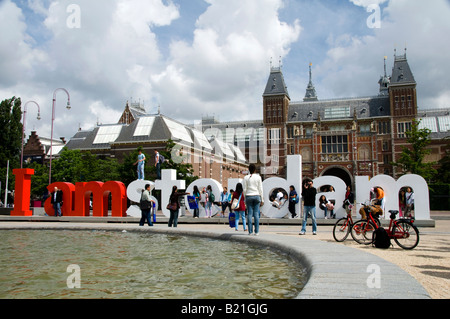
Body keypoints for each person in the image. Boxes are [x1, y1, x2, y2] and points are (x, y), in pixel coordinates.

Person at [243, 164, 264, 236]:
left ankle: (250, 231)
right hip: (257, 195)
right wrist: (262, 199)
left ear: (249, 169)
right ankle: (257, 231)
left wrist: (245, 197)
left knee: (249, 214)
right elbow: (260, 189)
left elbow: (244, 189)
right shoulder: (258, 177)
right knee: (256, 214)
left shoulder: (246, 177)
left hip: (249, 196)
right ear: (255, 170)